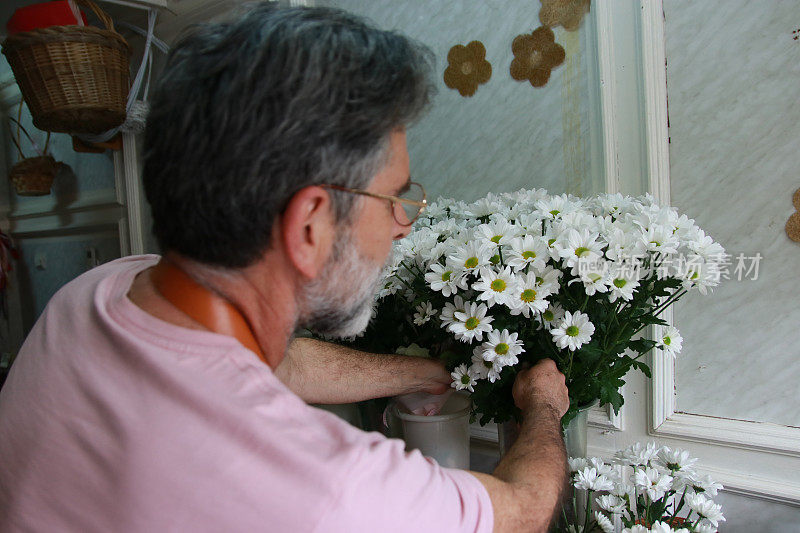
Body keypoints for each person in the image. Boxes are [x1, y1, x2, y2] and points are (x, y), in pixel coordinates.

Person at [0, 5, 569, 532]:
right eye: (395, 196)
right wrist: (543, 405)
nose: (404, 223)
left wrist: (417, 373)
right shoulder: (328, 485)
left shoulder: (92, 294)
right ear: (309, 228)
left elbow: (264, 362)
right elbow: (522, 512)